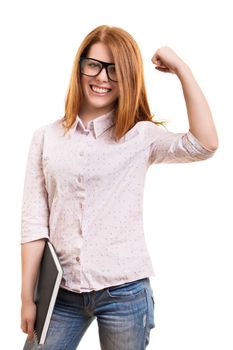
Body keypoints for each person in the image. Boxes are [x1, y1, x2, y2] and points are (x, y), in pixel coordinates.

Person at [20, 25, 218, 350]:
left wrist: (182, 69)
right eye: (94, 65)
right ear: (80, 65)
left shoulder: (140, 136)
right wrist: (28, 297)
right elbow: (34, 222)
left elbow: (205, 144)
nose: (102, 78)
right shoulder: (46, 137)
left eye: (114, 70)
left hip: (125, 292)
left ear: (127, 77)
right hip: (62, 293)